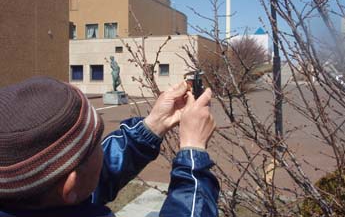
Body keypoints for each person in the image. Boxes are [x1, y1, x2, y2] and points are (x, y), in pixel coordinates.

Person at [0, 76, 219, 217]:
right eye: (96, 144)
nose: (102, 151)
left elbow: (89, 181)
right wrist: (193, 154)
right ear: (70, 186)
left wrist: (153, 126)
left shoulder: (33, 198)